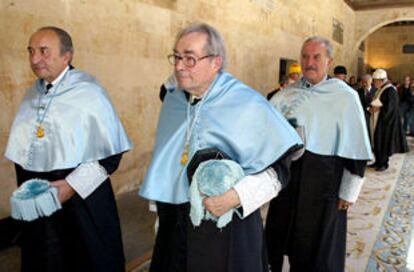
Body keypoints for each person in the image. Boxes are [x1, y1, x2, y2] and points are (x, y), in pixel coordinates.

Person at [139, 22, 302, 272]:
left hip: (225, 227)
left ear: (215, 62)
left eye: (190, 59)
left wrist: (234, 197)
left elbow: (278, 171)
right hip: (175, 227)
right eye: (177, 57)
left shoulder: (247, 103)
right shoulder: (173, 100)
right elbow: (166, 160)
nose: (179, 66)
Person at [4, 26, 132, 272]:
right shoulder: (33, 93)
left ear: (67, 56)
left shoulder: (89, 92)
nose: (34, 59)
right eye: (31, 51)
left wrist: (71, 186)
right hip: (42, 207)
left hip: (80, 204)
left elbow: (110, 156)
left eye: (44, 51)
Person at [267, 36, 372, 271]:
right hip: (288, 181)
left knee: (320, 249)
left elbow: (356, 150)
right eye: (305, 56)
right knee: (285, 237)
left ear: (329, 61)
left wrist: (349, 192)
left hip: (325, 184)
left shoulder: (346, 97)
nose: (309, 62)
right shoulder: (286, 94)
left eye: (316, 57)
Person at [369, 69, 408, 171]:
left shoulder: (390, 90)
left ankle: (383, 164)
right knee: (377, 141)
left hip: (386, 122)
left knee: (383, 143)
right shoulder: (381, 89)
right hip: (379, 120)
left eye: (375, 80)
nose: (374, 83)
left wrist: (379, 109)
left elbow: (391, 108)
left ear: (381, 80)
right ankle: (377, 161)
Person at [357, 74, 376, 142]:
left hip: (374, 114)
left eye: (366, 81)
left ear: (371, 81)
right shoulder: (358, 91)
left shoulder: (376, 91)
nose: (364, 83)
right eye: (363, 82)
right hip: (363, 114)